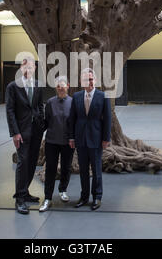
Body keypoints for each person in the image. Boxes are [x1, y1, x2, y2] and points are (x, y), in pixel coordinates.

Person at [5, 57, 45, 215]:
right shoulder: (13, 86)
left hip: (36, 131)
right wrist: (15, 133)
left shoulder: (38, 85)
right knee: (22, 163)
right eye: (25, 67)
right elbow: (10, 111)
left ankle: (25, 192)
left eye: (31, 67)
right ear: (21, 68)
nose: (28, 69)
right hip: (21, 132)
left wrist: (41, 124)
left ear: (34, 68)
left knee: (32, 162)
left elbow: (40, 106)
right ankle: (19, 199)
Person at [69, 68, 111, 211]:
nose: (90, 82)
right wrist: (71, 137)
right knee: (83, 171)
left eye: (92, 79)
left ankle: (97, 197)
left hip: (96, 138)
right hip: (80, 139)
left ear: (96, 80)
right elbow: (72, 119)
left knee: (97, 170)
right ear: (82, 82)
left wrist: (106, 138)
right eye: (87, 80)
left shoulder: (103, 96)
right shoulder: (76, 96)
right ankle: (84, 196)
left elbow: (107, 119)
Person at [39, 76, 74, 212]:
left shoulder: (73, 102)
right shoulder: (50, 102)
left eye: (63, 85)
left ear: (68, 86)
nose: (60, 88)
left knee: (66, 167)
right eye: (58, 86)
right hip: (51, 142)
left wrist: (73, 138)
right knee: (50, 169)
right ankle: (47, 197)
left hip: (67, 142)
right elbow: (46, 122)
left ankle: (63, 190)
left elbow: (74, 123)